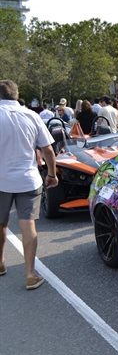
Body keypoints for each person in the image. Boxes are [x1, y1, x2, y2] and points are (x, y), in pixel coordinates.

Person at [0, 80, 58, 290]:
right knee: (28, 224)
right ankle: (30, 274)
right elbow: (48, 150)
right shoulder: (32, 115)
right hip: (28, 178)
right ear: (16, 95)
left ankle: (0, 263)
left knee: (1, 223)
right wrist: (52, 174)